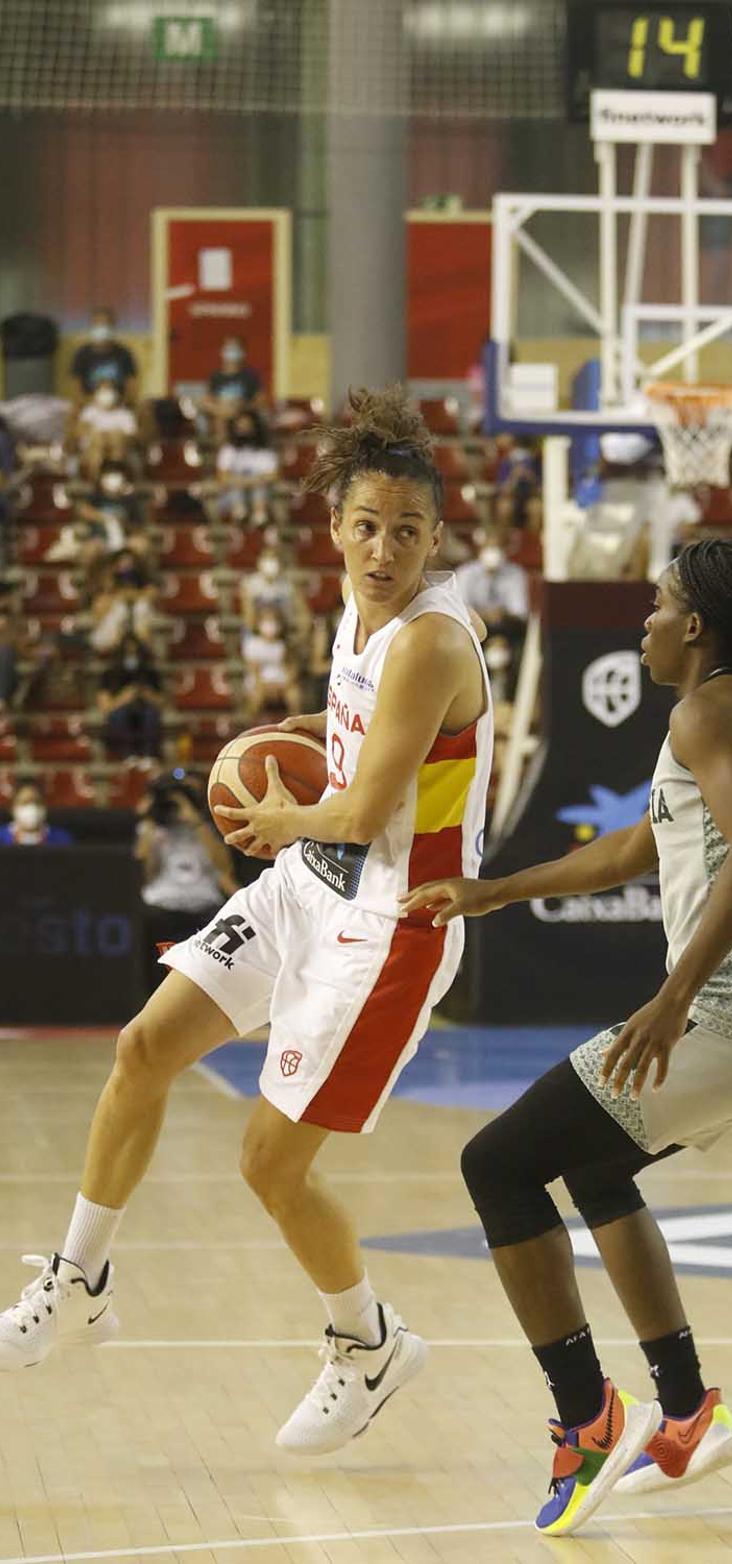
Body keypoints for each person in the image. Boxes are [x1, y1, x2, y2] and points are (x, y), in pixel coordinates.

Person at [0, 387, 493, 1467]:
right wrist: (283, 766)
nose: (382, 547)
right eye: (366, 524)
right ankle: (80, 1281)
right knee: (142, 1047)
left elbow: (366, 811)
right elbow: (348, 764)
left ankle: (367, 1343)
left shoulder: (430, 642)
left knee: (269, 1165)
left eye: (406, 530)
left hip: (392, 921)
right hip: (311, 883)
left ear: (436, 539)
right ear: (333, 527)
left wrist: (271, 816)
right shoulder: (354, 612)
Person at [402, 538, 732, 1537]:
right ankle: (685, 1411)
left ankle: (586, 1419)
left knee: (498, 1166)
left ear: (692, 625)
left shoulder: (709, 709)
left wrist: (670, 994)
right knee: (597, 1172)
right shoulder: (726, 710)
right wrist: (495, 890)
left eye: (654, 605)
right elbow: (630, 849)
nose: (640, 621)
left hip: (731, 1016)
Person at [136, 772, 237, 996]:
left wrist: (196, 822)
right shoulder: (152, 829)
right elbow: (144, 868)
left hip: (204, 904)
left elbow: (223, 866)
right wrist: (152, 819)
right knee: (154, 926)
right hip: (163, 905)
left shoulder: (207, 830)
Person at [455, 534, 528, 700]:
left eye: (497, 548)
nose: (493, 552)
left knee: (521, 651)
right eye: (489, 547)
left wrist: (501, 615)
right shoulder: (465, 573)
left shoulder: (516, 574)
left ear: (505, 551)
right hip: (474, 631)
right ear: (481, 549)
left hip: (507, 631)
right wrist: (484, 615)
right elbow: (460, 609)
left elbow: (519, 612)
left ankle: (512, 700)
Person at [97, 632, 164, 760]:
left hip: (144, 708)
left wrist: (144, 693)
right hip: (120, 710)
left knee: (150, 715)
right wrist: (124, 698)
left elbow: (161, 702)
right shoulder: (110, 674)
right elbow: (105, 707)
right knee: (118, 716)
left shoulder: (148, 672)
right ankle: (127, 755)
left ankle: (149, 755)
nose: (131, 653)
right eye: (127, 650)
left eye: (134, 650)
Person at [199, 337, 265, 444]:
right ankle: (223, 456)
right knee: (220, 421)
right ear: (222, 351)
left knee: (244, 423)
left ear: (243, 352)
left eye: (235, 348)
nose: (231, 352)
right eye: (229, 348)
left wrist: (243, 406)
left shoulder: (250, 376)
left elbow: (261, 401)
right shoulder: (216, 377)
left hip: (243, 413)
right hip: (220, 413)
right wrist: (220, 409)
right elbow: (206, 400)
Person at [241, 607, 303, 720]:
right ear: (258, 624)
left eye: (273, 621)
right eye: (266, 621)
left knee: (294, 695)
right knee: (256, 697)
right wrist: (265, 686)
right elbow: (254, 670)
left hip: (282, 683)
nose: (270, 626)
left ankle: (295, 728)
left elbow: (292, 669)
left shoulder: (285, 645)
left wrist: (284, 685)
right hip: (259, 683)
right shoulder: (252, 644)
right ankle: (249, 729)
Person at [70, 308, 138, 409]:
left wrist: (119, 404)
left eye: (106, 324)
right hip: (90, 405)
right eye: (98, 324)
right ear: (92, 326)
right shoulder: (82, 354)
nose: (102, 328)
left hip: (118, 405)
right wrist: (90, 403)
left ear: (113, 327)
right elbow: (76, 388)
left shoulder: (124, 354)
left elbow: (131, 387)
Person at [0, 780, 73, 846]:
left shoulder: (62, 839)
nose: (32, 808)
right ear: (12, 808)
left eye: (37, 802)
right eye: (25, 802)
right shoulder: (1, 838)